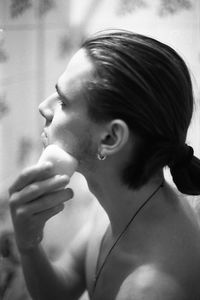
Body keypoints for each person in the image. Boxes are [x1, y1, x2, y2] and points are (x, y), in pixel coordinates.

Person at [8, 30, 200, 300]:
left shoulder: (150, 289)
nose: (44, 107)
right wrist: (28, 244)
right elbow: (61, 290)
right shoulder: (127, 201)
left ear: (110, 138)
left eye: (63, 102)